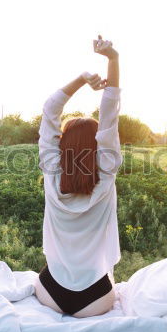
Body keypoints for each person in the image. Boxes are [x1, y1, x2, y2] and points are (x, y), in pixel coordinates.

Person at [35, 35, 122, 317]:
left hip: (50, 291)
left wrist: (83, 79)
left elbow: (50, 110)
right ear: (96, 148)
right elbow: (109, 116)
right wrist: (113, 59)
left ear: (63, 145)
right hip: (95, 297)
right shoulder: (106, 172)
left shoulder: (52, 170)